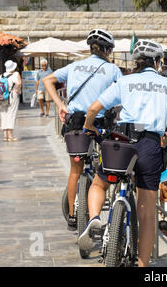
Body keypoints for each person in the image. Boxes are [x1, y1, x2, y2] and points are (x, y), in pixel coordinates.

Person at [81, 39, 167, 267]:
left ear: (137, 62)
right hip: (149, 145)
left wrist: (89, 127)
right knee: (146, 214)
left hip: (123, 142)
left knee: (98, 184)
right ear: (158, 62)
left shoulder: (124, 81)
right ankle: (142, 264)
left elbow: (93, 109)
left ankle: (95, 218)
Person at [43, 28, 122, 231]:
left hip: (76, 122)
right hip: (101, 123)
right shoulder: (112, 70)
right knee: (108, 168)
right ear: (107, 50)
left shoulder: (75, 66)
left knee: (75, 171)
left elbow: (47, 80)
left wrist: (61, 105)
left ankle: (72, 215)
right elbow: (123, 95)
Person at [0, 60, 22, 142]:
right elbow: (19, 83)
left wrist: (0, 92)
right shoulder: (15, 74)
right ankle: (11, 136)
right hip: (12, 96)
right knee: (11, 114)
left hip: (2, 97)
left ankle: (5, 136)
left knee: (4, 114)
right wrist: (17, 90)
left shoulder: (2, 75)